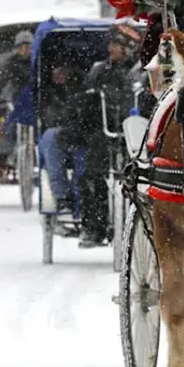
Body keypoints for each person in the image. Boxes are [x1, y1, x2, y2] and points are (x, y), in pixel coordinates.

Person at [74, 32, 139, 248]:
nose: (113, 49)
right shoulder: (98, 71)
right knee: (91, 177)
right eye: (112, 44)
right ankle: (94, 227)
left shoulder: (140, 72)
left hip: (135, 132)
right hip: (103, 132)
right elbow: (84, 102)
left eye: (119, 45)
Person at [37, 58, 89, 213]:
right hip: (58, 134)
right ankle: (62, 197)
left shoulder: (81, 90)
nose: (59, 74)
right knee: (50, 139)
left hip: (78, 133)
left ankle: (80, 196)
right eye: (56, 69)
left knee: (83, 156)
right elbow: (48, 116)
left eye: (64, 70)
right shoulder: (47, 93)